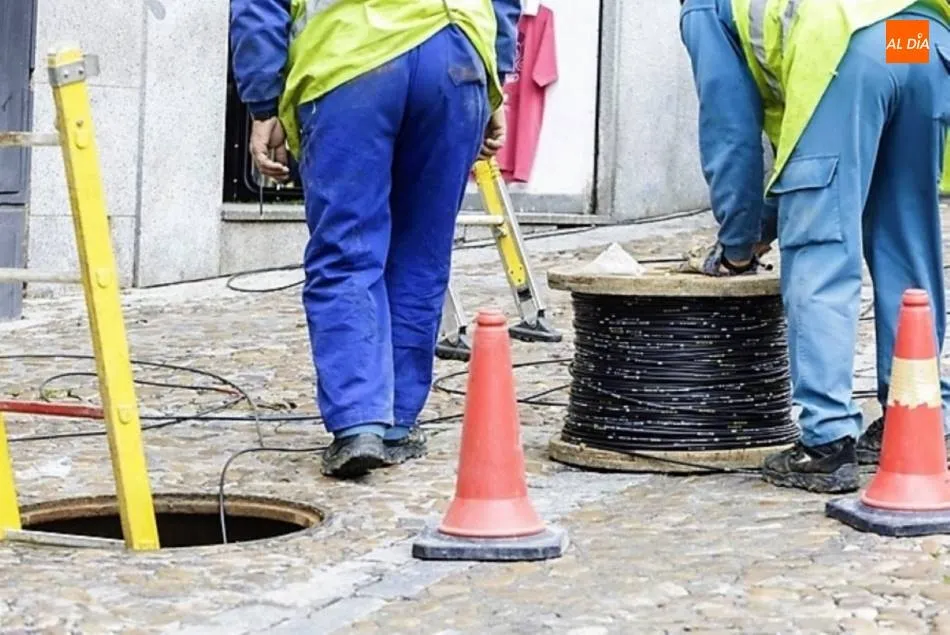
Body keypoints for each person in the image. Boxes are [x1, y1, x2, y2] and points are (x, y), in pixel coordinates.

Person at [229, 0, 521, 478]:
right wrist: (496, 80)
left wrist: (264, 101)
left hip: (351, 57)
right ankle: (398, 423)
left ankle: (360, 421)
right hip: (456, 55)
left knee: (347, 251)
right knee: (421, 253)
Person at [678, 0, 950, 493]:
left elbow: (731, 130)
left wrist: (738, 244)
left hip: (846, 52)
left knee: (821, 248)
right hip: (918, 44)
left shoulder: (700, 7)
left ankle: (825, 444)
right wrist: (765, 222)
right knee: (906, 240)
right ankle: (917, 418)